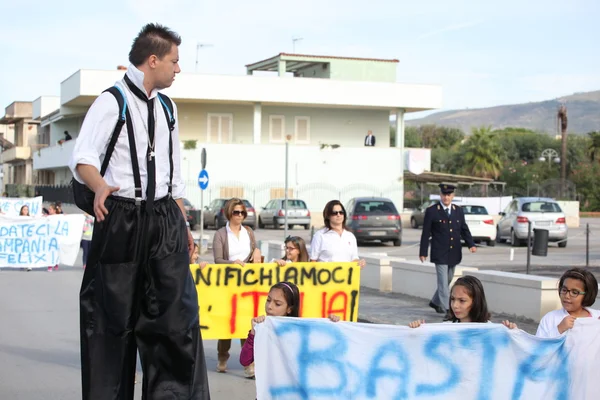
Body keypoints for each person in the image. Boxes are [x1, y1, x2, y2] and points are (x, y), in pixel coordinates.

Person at [69, 23, 210, 399]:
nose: (178, 69)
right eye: (174, 61)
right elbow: (82, 158)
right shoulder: (110, 101)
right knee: (111, 325)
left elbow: (174, 175)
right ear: (152, 60)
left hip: (163, 218)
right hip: (120, 218)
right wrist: (99, 186)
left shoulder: (168, 107)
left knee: (176, 322)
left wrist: (182, 224)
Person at [240, 281, 340, 371]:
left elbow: (324, 353)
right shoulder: (263, 327)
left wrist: (332, 324)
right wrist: (253, 333)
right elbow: (245, 360)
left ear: (289, 309)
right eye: (268, 300)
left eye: (277, 304)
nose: (269, 306)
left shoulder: (300, 331)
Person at [212, 197, 262, 376]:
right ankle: (222, 357)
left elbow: (254, 250)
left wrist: (257, 251)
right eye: (236, 212)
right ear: (229, 213)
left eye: (242, 212)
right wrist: (232, 263)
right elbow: (218, 260)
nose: (240, 216)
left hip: (247, 285)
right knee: (227, 322)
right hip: (228, 285)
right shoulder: (220, 234)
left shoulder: (248, 232)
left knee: (246, 323)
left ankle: (249, 362)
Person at [419, 184, 476, 320]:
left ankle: (435, 301)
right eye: (444, 194)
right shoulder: (432, 211)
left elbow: (463, 228)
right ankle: (448, 310)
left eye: (449, 195)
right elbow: (426, 233)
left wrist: (471, 244)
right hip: (439, 253)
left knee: (449, 280)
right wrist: (423, 251)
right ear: (440, 195)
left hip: (454, 252)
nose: (446, 197)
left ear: (453, 196)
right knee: (443, 282)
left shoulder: (458, 210)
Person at [409, 276, 517, 328]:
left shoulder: (490, 330)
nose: (455, 305)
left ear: (476, 302)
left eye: (462, 301)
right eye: (452, 299)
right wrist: (416, 331)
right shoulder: (446, 328)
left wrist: (512, 334)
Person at [536, 268, 600, 338]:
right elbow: (539, 345)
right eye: (564, 290)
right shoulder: (550, 319)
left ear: (587, 295)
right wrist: (559, 329)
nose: (567, 296)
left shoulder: (597, 317)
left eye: (574, 292)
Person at [310, 200, 366, 268]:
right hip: (326, 276)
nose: (338, 215)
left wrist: (360, 263)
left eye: (341, 212)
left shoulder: (350, 236)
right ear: (327, 215)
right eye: (334, 213)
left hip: (346, 277)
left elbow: (354, 259)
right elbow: (313, 261)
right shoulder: (319, 236)